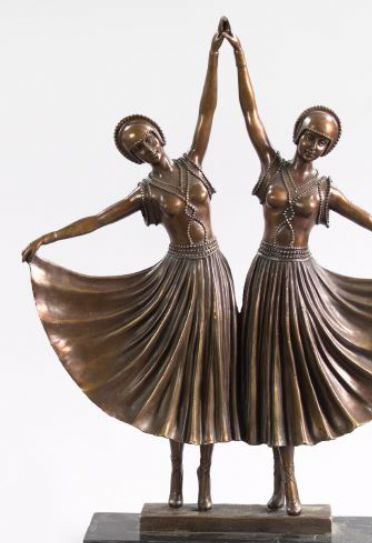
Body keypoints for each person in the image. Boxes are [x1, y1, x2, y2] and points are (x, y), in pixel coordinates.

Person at [222, 30, 372, 516]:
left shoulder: (326, 191)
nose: (314, 144)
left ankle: (289, 482)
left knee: (292, 374)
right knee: (267, 372)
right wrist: (239, 57)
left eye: (323, 141)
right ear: (297, 133)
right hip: (265, 279)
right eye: (309, 135)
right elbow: (249, 114)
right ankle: (281, 483)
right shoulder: (270, 167)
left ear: (328, 148)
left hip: (301, 283)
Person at [22, 27, 240, 511]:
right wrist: (49, 237)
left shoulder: (194, 163)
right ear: (134, 157)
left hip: (214, 277)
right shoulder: (146, 192)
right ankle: (177, 475)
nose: (146, 149)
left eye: (148, 139)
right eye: (136, 148)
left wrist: (215, 57)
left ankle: (206, 476)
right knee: (182, 375)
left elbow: (208, 111)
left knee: (215, 372)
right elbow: (98, 219)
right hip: (179, 281)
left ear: (159, 136)